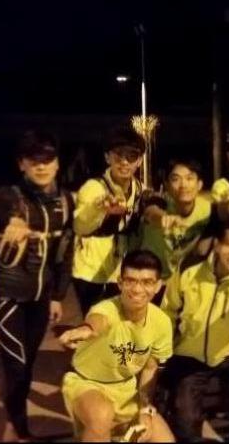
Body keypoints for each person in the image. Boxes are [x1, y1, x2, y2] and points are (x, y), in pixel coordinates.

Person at [0, 130, 74, 441]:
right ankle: (17, 430)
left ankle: (15, 422)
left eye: (47, 160)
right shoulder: (11, 196)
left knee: (27, 364)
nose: (41, 166)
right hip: (6, 295)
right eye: (33, 161)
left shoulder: (65, 201)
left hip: (40, 296)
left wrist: (58, 296)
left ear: (57, 164)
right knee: (17, 365)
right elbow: (0, 205)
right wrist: (14, 221)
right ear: (22, 165)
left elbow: (64, 252)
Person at [159, 220, 229, 442]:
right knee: (185, 416)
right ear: (217, 245)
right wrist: (162, 350)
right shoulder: (189, 269)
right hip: (190, 353)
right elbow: (168, 311)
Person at [59, 250, 175, 442]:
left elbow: (150, 369)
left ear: (157, 286)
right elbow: (98, 320)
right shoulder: (106, 308)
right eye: (130, 281)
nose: (137, 290)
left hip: (125, 390)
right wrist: (87, 329)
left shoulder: (161, 322)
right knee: (102, 416)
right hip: (85, 382)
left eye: (147, 282)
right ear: (120, 283)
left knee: (164, 439)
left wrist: (144, 409)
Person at [71, 128, 154, 317]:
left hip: (120, 272)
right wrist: (100, 208)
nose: (124, 162)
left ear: (139, 161)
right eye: (118, 155)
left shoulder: (140, 190)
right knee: (96, 322)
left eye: (131, 156)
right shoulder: (94, 188)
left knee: (119, 323)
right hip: (91, 272)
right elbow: (80, 226)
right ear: (107, 157)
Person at [139, 159, 217, 284]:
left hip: (185, 282)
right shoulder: (159, 201)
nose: (183, 185)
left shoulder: (208, 210)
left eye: (189, 178)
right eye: (176, 179)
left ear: (199, 184)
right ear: (167, 185)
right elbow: (150, 212)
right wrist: (163, 218)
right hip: (153, 280)